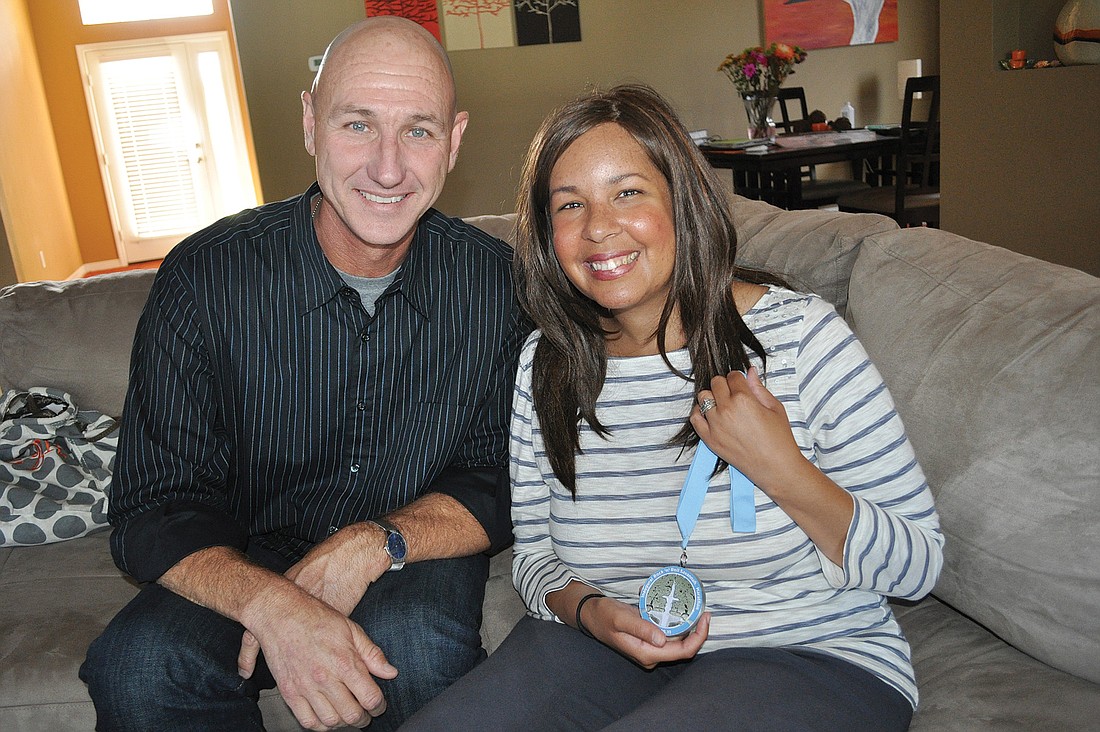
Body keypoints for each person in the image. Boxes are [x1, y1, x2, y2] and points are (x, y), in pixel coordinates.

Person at [403, 84, 944, 731]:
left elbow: (917, 564)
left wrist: (782, 469)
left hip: (808, 654)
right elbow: (537, 554)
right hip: (600, 650)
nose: (599, 227)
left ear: (681, 203)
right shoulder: (545, 364)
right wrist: (588, 611)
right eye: (570, 204)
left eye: (626, 192)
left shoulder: (801, 338)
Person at [79, 16, 528, 732]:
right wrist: (274, 605)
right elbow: (153, 506)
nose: (388, 168)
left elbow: (504, 475)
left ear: (455, 139)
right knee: (138, 666)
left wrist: (372, 543)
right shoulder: (206, 278)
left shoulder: (500, 286)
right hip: (245, 545)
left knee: (417, 646)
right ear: (310, 123)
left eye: (418, 130)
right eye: (357, 124)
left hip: (409, 541)